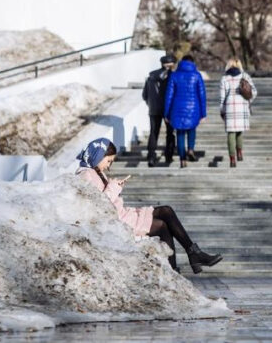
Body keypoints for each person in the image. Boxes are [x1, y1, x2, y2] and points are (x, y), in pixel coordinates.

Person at [75, 138, 222, 273]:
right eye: (108, 161)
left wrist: (114, 185)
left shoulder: (95, 172)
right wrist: (113, 187)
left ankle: (192, 254)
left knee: (166, 211)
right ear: (98, 155)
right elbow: (98, 206)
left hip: (124, 214)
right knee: (162, 226)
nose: (108, 166)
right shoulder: (86, 175)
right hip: (118, 222)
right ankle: (179, 266)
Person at [164, 55, 207, 168]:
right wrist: (203, 113)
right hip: (193, 108)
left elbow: (169, 96)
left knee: (180, 133)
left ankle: (182, 159)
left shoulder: (174, 75)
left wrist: (166, 113)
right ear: (192, 62)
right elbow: (202, 95)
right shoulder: (197, 75)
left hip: (177, 108)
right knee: (192, 129)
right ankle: (191, 149)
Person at [219, 58, 257, 168]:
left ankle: (232, 159)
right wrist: (248, 100)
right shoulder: (245, 76)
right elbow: (254, 92)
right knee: (239, 131)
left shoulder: (224, 78)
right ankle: (239, 152)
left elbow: (222, 97)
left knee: (231, 133)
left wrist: (222, 110)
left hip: (230, 107)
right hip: (242, 106)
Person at [142, 54, 177, 167]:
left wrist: (151, 104)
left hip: (154, 109)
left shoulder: (151, 76)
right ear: (171, 64)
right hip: (169, 109)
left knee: (153, 132)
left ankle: (151, 157)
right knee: (170, 133)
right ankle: (169, 155)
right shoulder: (173, 76)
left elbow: (144, 95)